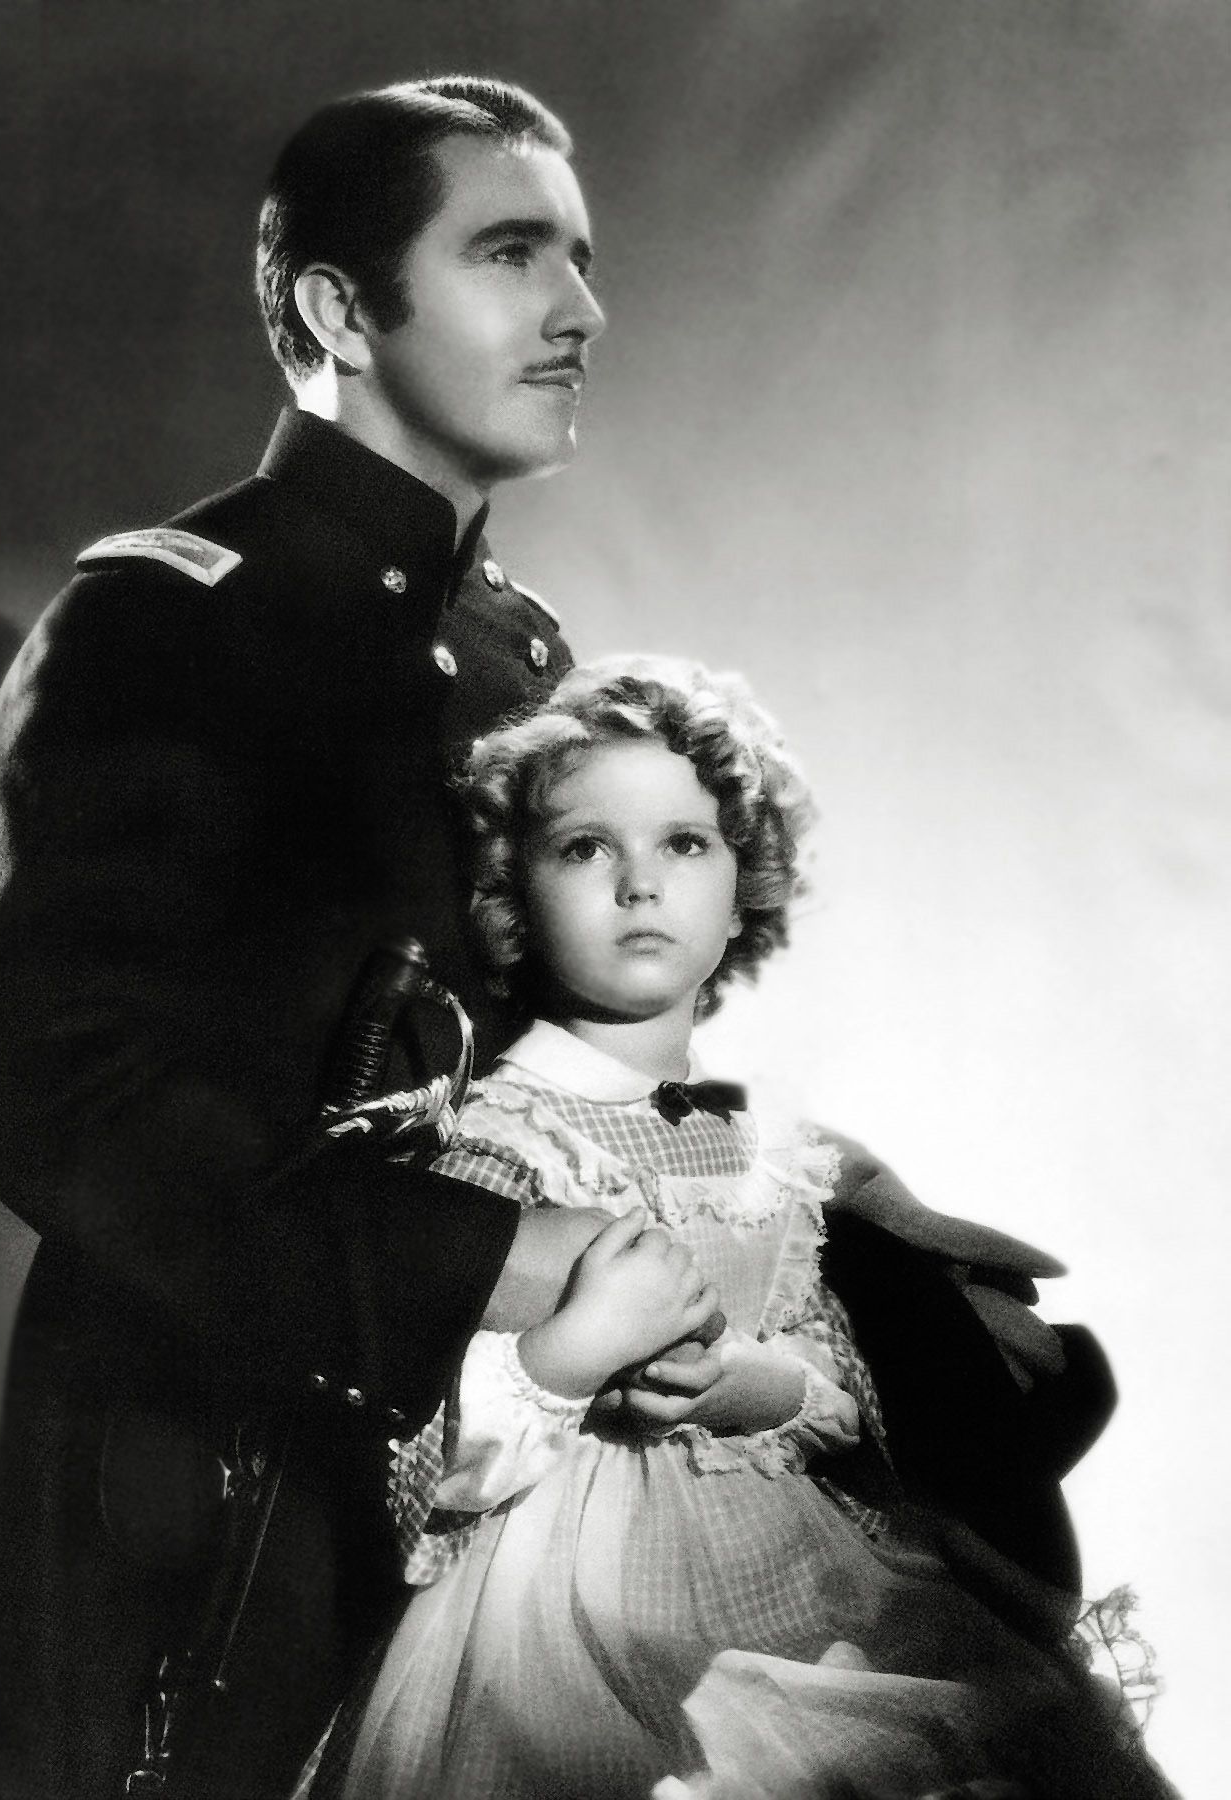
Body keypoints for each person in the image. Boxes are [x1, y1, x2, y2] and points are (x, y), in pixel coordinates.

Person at [0, 70, 1097, 1800]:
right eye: (510, 254)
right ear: (339, 311)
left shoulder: (516, 653)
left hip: (553, 1496)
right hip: (236, 1502)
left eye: (582, 257)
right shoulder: (168, 623)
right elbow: (54, 1088)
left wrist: (794, 1212)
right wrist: (500, 1262)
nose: (580, 310)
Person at [303, 658, 1173, 1800]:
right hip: (557, 1618)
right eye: (584, 848)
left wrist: (753, 1384)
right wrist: (569, 1357)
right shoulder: (491, 1139)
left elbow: (838, 1395)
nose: (639, 885)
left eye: (683, 844)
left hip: (797, 1570)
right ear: (510, 894)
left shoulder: (770, 1154)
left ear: (740, 882)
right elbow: (410, 1466)